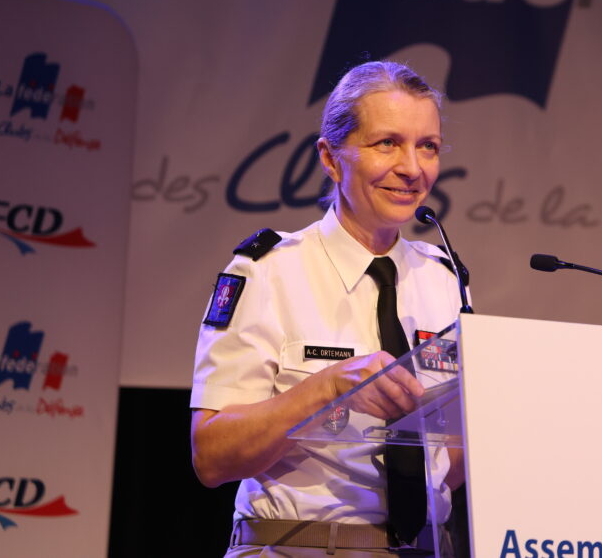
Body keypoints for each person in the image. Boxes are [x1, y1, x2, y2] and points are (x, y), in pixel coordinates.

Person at [190, 61, 465, 557]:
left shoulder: (445, 280)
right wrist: (329, 388)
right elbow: (211, 456)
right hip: (300, 545)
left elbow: (454, 456)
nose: (412, 167)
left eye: (428, 146)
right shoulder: (267, 273)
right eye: (387, 143)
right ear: (331, 159)